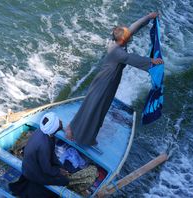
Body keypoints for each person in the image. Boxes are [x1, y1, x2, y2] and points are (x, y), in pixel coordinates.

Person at [65, 12, 164, 145]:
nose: (131, 36)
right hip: (104, 83)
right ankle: (75, 131)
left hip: (110, 81)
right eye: (128, 36)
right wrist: (152, 61)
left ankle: (87, 134)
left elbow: (133, 27)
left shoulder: (118, 41)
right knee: (95, 108)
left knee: (102, 108)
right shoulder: (117, 52)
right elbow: (132, 59)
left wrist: (148, 17)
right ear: (123, 40)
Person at [9, 112, 69, 198]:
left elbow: (51, 155)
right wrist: (59, 171)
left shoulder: (41, 131)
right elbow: (46, 169)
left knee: (60, 167)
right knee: (64, 181)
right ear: (55, 128)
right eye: (58, 121)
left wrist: (59, 166)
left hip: (29, 166)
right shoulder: (44, 145)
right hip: (33, 172)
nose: (60, 121)